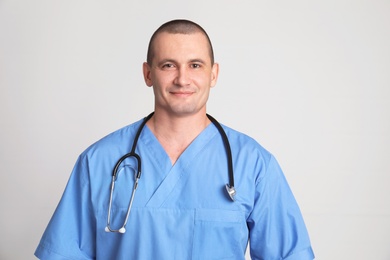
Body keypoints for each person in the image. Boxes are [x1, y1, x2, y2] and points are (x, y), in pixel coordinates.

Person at [35, 19, 315, 259]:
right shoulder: (99, 161)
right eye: (169, 65)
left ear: (213, 74)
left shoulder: (253, 165)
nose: (183, 79)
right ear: (148, 73)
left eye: (195, 65)